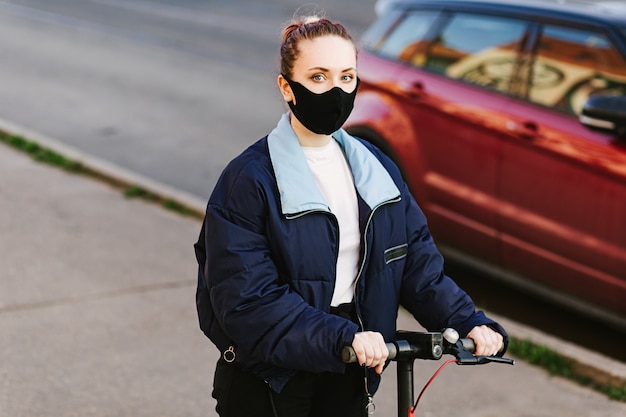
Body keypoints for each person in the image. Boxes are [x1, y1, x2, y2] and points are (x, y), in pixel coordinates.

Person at [194, 13, 507, 417]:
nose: (336, 91)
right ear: (287, 88)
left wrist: (465, 321)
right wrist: (343, 337)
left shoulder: (376, 170)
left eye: (346, 77)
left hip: (350, 368)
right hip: (271, 380)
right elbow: (247, 301)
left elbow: (415, 266)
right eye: (319, 78)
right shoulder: (248, 181)